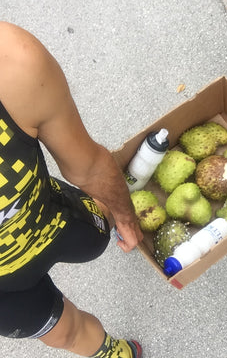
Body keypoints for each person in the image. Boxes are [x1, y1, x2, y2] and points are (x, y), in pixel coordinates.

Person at [0, 22, 144, 357]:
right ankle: (111, 353)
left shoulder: (13, 66)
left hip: (52, 221)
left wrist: (125, 217)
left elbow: (90, 167)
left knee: (101, 230)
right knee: (69, 334)